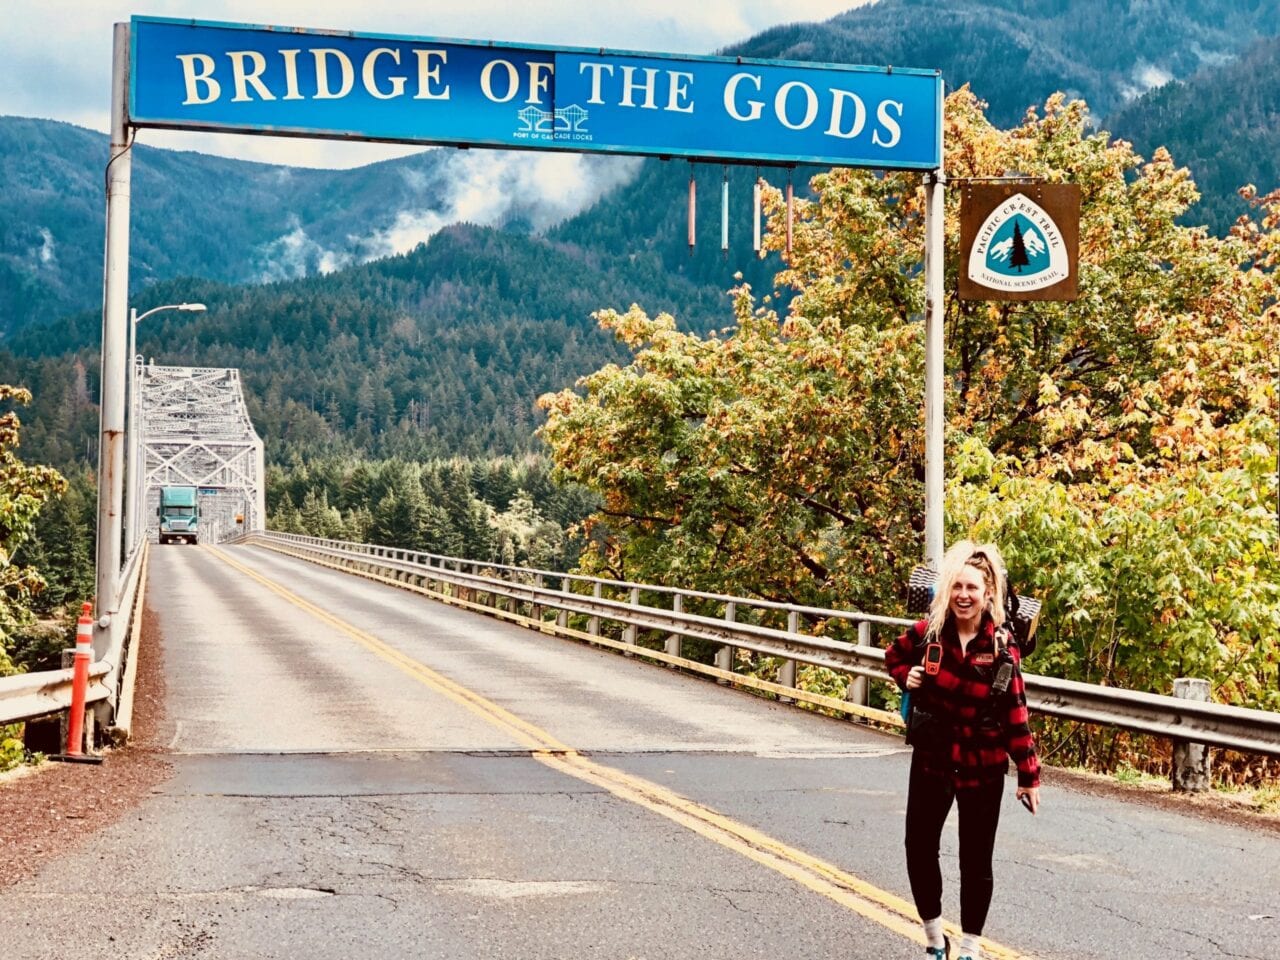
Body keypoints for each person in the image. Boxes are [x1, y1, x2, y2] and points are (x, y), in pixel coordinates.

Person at [884, 541, 1041, 960]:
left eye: (971, 588)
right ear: (946, 591)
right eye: (956, 587)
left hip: (983, 765)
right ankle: (936, 939)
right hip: (933, 760)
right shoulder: (929, 634)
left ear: (988, 593)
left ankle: (970, 947)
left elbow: (1015, 711)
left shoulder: (1002, 647)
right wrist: (908, 676)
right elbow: (893, 657)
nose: (963, 596)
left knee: (975, 861)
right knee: (918, 848)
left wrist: (1028, 775)